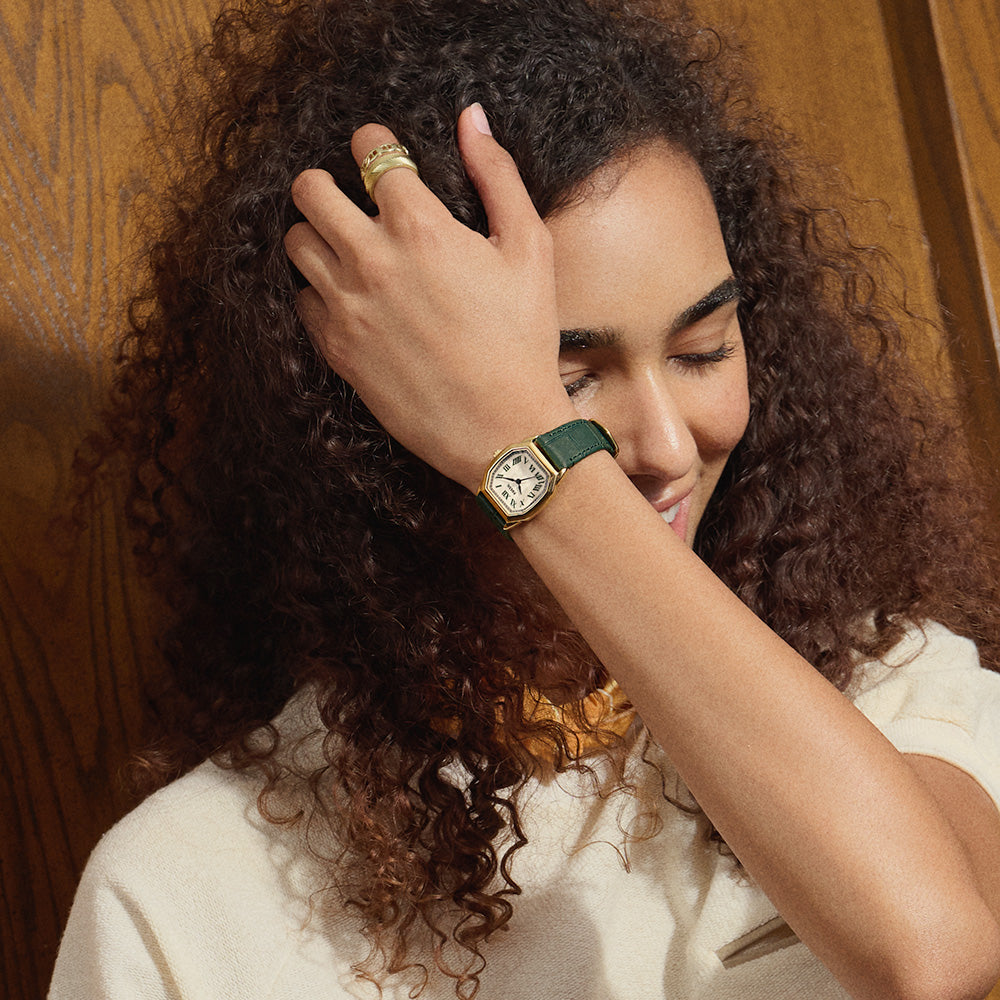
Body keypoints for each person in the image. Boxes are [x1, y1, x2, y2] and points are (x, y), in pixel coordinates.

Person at [50, 0, 1000, 997]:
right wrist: (522, 436)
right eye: (567, 379)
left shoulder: (891, 688)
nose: (669, 446)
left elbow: (932, 950)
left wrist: (530, 458)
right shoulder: (183, 898)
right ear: (384, 408)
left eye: (703, 350)